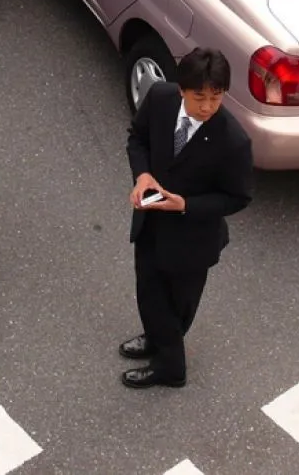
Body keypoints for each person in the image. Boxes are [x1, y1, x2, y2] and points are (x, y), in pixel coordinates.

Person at [119, 47, 254, 389]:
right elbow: (138, 138)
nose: (207, 107)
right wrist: (143, 175)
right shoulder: (160, 99)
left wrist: (185, 205)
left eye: (216, 97)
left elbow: (238, 197)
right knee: (148, 290)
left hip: (193, 239)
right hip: (151, 221)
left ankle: (170, 368)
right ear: (181, 89)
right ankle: (156, 339)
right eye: (199, 97)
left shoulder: (233, 141)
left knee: (178, 305)